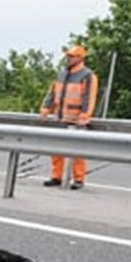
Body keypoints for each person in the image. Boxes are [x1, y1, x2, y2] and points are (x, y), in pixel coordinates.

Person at [39, 44, 98, 191]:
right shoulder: (62, 74)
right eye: (68, 56)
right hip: (60, 118)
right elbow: (52, 93)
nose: (69, 59)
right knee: (56, 150)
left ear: (80, 58)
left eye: (72, 56)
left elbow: (88, 97)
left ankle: (78, 179)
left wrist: (85, 115)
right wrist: (46, 108)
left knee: (76, 151)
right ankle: (56, 177)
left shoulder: (88, 75)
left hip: (77, 120)